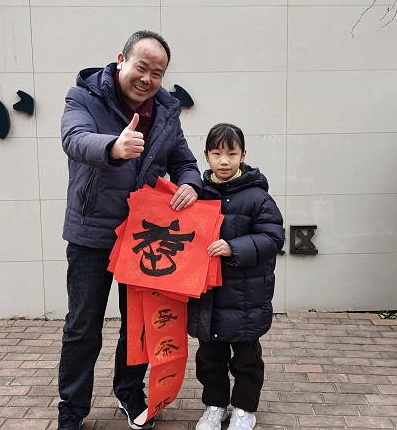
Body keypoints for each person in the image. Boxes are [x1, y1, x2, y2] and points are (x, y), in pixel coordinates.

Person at [58, 30, 202, 430]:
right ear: (121, 59)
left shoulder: (166, 112)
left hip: (144, 237)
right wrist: (113, 147)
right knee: (82, 326)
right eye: (142, 66)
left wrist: (191, 184)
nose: (147, 78)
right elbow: (74, 139)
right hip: (92, 232)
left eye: (157, 72)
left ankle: (129, 391)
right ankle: (72, 408)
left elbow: (184, 161)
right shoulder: (83, 96)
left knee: (138, 325)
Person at [187, 123, 285, 430]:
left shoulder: (257, 197)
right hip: (207, 297)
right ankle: (215, 407)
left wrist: (234, 247)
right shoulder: (198, 194)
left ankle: (244, 410)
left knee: (246, 360)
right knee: (209, 359)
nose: (224, 161)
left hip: (245, 297)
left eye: (231, 153)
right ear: (206, 156)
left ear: (243, 155)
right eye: (217, 153)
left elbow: (273, 237)